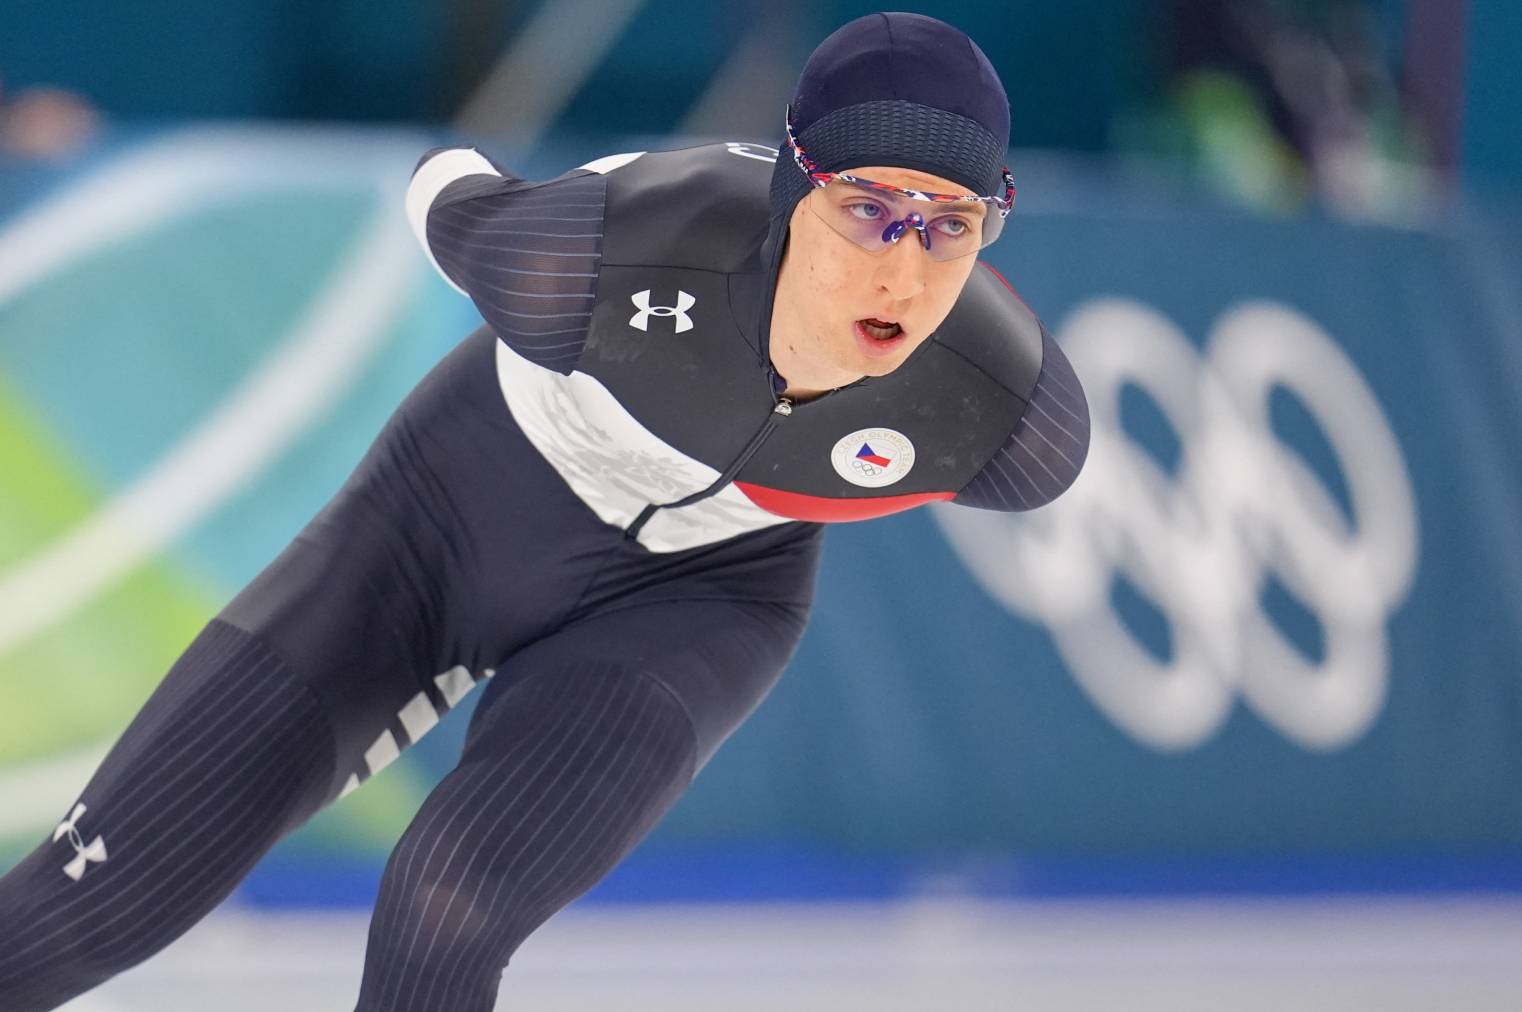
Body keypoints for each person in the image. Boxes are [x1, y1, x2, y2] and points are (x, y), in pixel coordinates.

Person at [0, 12, 1088, 1011]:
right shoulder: (599, 258)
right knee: (88, 906)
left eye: (949, 225)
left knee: (447, 901)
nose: (902, 271)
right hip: (449, 514)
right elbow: (446, 182)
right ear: (788, 193)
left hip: (702, 597)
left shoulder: (1004, 414)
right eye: (867, 210)